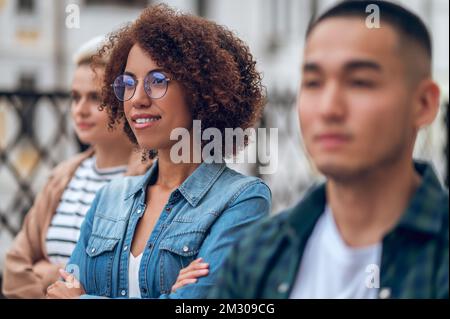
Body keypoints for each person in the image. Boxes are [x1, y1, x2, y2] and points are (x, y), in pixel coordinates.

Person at [209, 0, 448, 299]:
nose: (328, 108)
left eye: (360, 82)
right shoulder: (258, 254)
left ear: (423, 104)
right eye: (313, 82)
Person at [45, 4, 271, 299]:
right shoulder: (109, 198)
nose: (137, 98)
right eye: (128, 83)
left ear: (200, 90)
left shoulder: (242, 200)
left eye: (157, 81)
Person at [2, 36, 151, 299]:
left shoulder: (151, 180)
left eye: (95, 98)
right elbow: (13, 272)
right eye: (75, 97)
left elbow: (130, 281)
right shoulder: (62, 175)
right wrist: (58, 285)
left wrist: (48, 274)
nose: (80, 110)